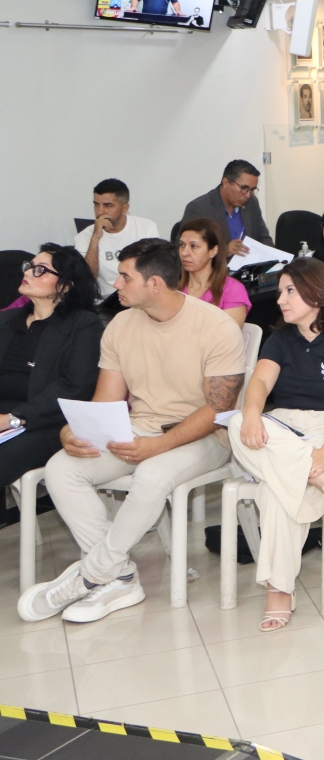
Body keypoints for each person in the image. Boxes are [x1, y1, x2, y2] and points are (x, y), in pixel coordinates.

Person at [24, 240, 245, 623]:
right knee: (62, 468)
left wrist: (157, 446)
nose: (116, 285)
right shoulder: (121, 325)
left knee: (151, 474)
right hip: (138, 427)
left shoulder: (216, 326)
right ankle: (119, 575)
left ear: (155, 283)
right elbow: (106, 400)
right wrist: (73, 432)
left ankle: (90, 575)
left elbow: (217, 410)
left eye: (125, 277)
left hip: (206, 435)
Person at [226, 259, 324, 631]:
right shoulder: (281, 339)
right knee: (238, 422)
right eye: (281, 291)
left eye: (290, 291)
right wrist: (254, 414)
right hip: (285, 430)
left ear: (317, 295)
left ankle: (279, 591)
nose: (281, 300)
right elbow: (257, 385)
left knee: (277, 491)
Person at [0, 247, 102, 496]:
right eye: (30, 266)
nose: (29, 273)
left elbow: (74, 387)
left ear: (65, 285)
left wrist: (12, 418)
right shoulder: (6, 321)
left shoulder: (83, 324)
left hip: (45, 422)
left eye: (41, 270)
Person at [75, 178, 160, 300]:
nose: (100, 212)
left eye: (108, 205)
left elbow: (153, 269)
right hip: (104, 302)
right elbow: (87, 279)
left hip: (140, 298)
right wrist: (95, 238)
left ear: (125, 208)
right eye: (96, 205)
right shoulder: (84, 236)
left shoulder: (146, 228)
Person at [182, 160, 271, 257]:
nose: (248, 195)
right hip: (217, 271)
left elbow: (264, 239)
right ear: (226, 182)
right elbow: (188, 254)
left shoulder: (251, 203)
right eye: (244, 188)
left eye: (252, 190)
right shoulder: (199, 209)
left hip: (249, 270)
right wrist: (224, 251)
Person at [175, 218, 250, 327]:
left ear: (213, 251)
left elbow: (227, 338)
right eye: (182, 245)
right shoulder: (175, 290)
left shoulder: (233, 290)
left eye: (194, 246)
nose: (184, 252)